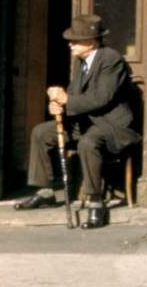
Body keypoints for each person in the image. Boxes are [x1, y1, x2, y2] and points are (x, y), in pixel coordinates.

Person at [15, 13, 140, 217]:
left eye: (75, 40)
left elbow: (102, 98)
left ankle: (95, 201)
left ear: (90, 42)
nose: (70, 44)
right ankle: (45, 190)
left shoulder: (111, 59)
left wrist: (66, 100)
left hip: (112, 125)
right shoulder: (81, 63)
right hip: (86, 123)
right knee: (41, 132)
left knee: (88, 143)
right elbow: (73, 96)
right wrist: (58, 105)